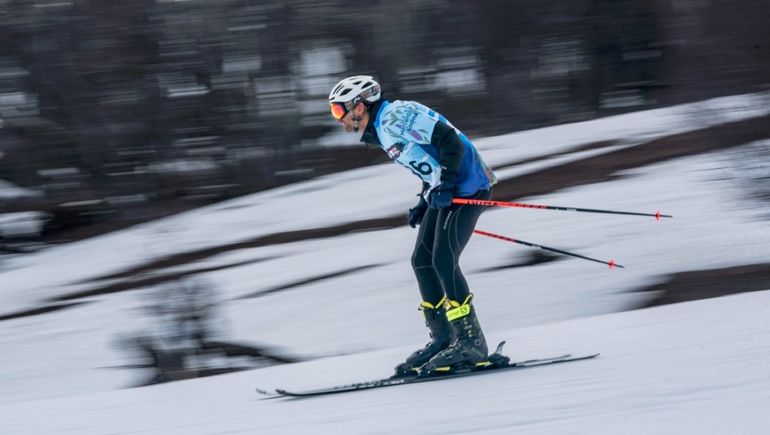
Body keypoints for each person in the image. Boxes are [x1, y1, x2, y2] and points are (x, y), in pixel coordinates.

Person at [328, 75, 497, 376]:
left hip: (468, 186)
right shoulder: (382, 127)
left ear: (360, 105)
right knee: (422, 260)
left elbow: (449, 142)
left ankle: (471, 343)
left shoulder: (395, 117)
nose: (339, 119)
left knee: (443, 260)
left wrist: (446, 185)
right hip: (446, 190)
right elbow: (427, 158)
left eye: (340, 111)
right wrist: (425, 197)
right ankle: (445, 338)